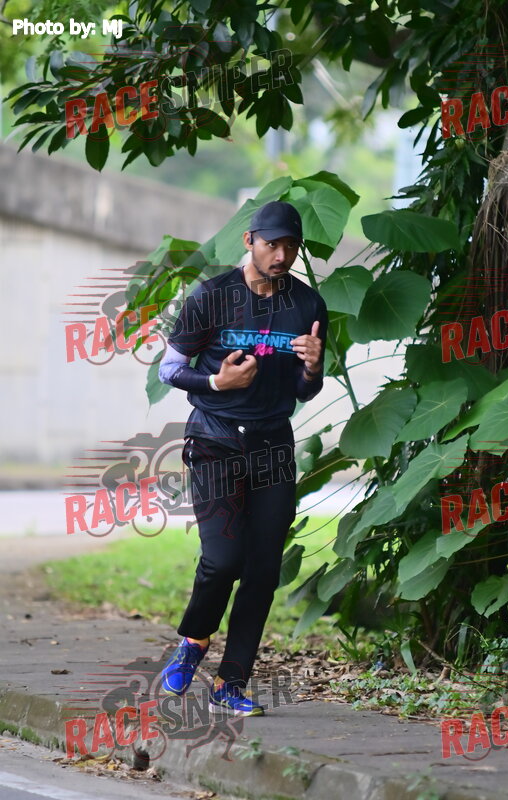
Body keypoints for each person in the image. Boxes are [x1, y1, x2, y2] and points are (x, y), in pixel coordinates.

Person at [157, 200, 328, 716]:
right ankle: (194, 639)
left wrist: (313, 368)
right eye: (272, 244)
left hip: (272, 445)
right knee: (223, 559)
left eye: (290, 247)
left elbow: (304, 390)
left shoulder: (307, 303)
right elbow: (169, 368)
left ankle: (230, 683)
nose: (281, 256)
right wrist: (216, 381)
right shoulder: (211, 297)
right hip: (214, 441)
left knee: (262, 569)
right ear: (249, 240)